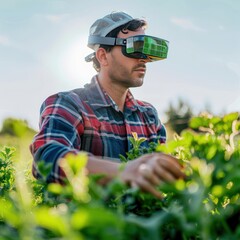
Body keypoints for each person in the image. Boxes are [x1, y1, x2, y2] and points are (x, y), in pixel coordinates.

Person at [30, 11, 184, 199]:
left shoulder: (148, 115)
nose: (144, 58)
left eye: (148, 50)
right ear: (103, 56)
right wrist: (122, 172)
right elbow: (47, 158)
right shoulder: (68, 104)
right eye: (135, 47)